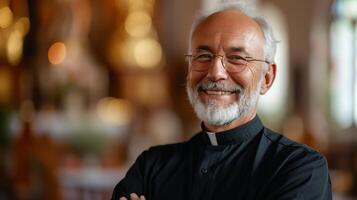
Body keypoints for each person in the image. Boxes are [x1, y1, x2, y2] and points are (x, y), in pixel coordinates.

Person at [112, 3, 332, 200]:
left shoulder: (299, 169)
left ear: (267, 78)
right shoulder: (151, 167)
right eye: (203, 56)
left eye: (236, 58)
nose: (215, 73)